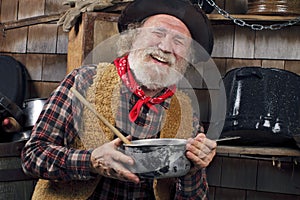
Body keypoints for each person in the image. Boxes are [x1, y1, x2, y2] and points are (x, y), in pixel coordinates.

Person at [21, 0, 217, 199]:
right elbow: (33, 156)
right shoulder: (84, 81)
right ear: (133, 38)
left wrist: (193, 168)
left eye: (179, 41)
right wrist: (91, 161)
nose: (166, 47)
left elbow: (193, 197)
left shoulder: (185, 112)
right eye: (157, 33)